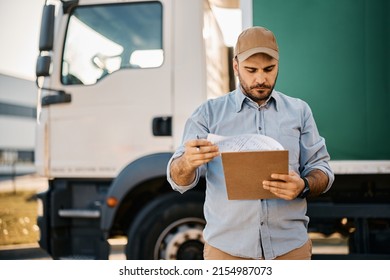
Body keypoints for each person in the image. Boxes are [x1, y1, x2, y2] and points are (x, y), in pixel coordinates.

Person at [166, 26, 334, 260]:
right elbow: (178, 181)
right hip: (227, 252)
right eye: (251, 70)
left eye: (269, 69)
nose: (261, 79)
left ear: (278, 65)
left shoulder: (299, 111)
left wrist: (303, 185)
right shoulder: (207, 114)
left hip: (290, 250)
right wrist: (187, 162)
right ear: (236, 66)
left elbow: (323, 171)